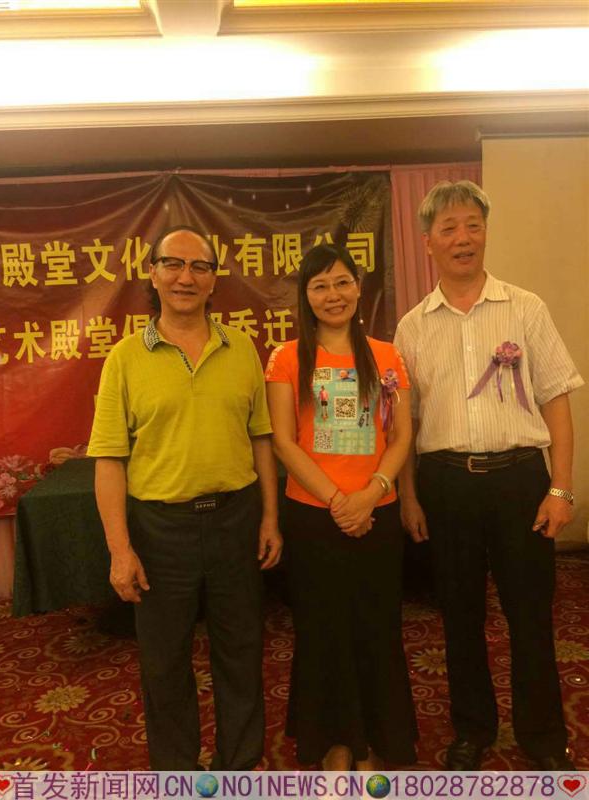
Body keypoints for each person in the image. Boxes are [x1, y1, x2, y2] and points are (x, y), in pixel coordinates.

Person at [394, 180, 584, 771]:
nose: (463, 238)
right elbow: (404, 425)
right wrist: (408, 497)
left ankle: (543, 736)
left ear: (485, 233)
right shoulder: (412, 327)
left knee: (531, 615)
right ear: (428, 242)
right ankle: (472, 729)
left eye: (473, 225)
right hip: (445, 484)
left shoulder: (525, 308)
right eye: (449, 228)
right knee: (459, 616)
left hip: (519, 480)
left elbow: (556, 399)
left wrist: (561, 486)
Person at [87, 225, 282, 770]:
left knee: (241, 653)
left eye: (199, 266)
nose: (185, 277)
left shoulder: (241, 348)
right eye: (173, 264)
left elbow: (262, 439)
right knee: (164, 662)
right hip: (159, 531)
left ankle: (238, 769)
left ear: (214, 280)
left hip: (235, 521)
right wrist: (120, 550)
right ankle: (177, 774)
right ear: (152, 274)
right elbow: (109, 460)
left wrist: (270, 517)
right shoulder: (124, 358)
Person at [265, 243, 418, 770]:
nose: (333, 295)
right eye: (320, 286)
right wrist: (337, 502)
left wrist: (370, 493)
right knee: (322, 627)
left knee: (377, 625)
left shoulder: (387, 356)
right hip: (314, 516)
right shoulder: (286, 358)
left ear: (358, 287)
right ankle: (333, 740)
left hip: (378, 511)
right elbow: (284, 441)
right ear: (305, 296)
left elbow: (401, 436)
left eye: (342, 282)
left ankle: (375, 738)